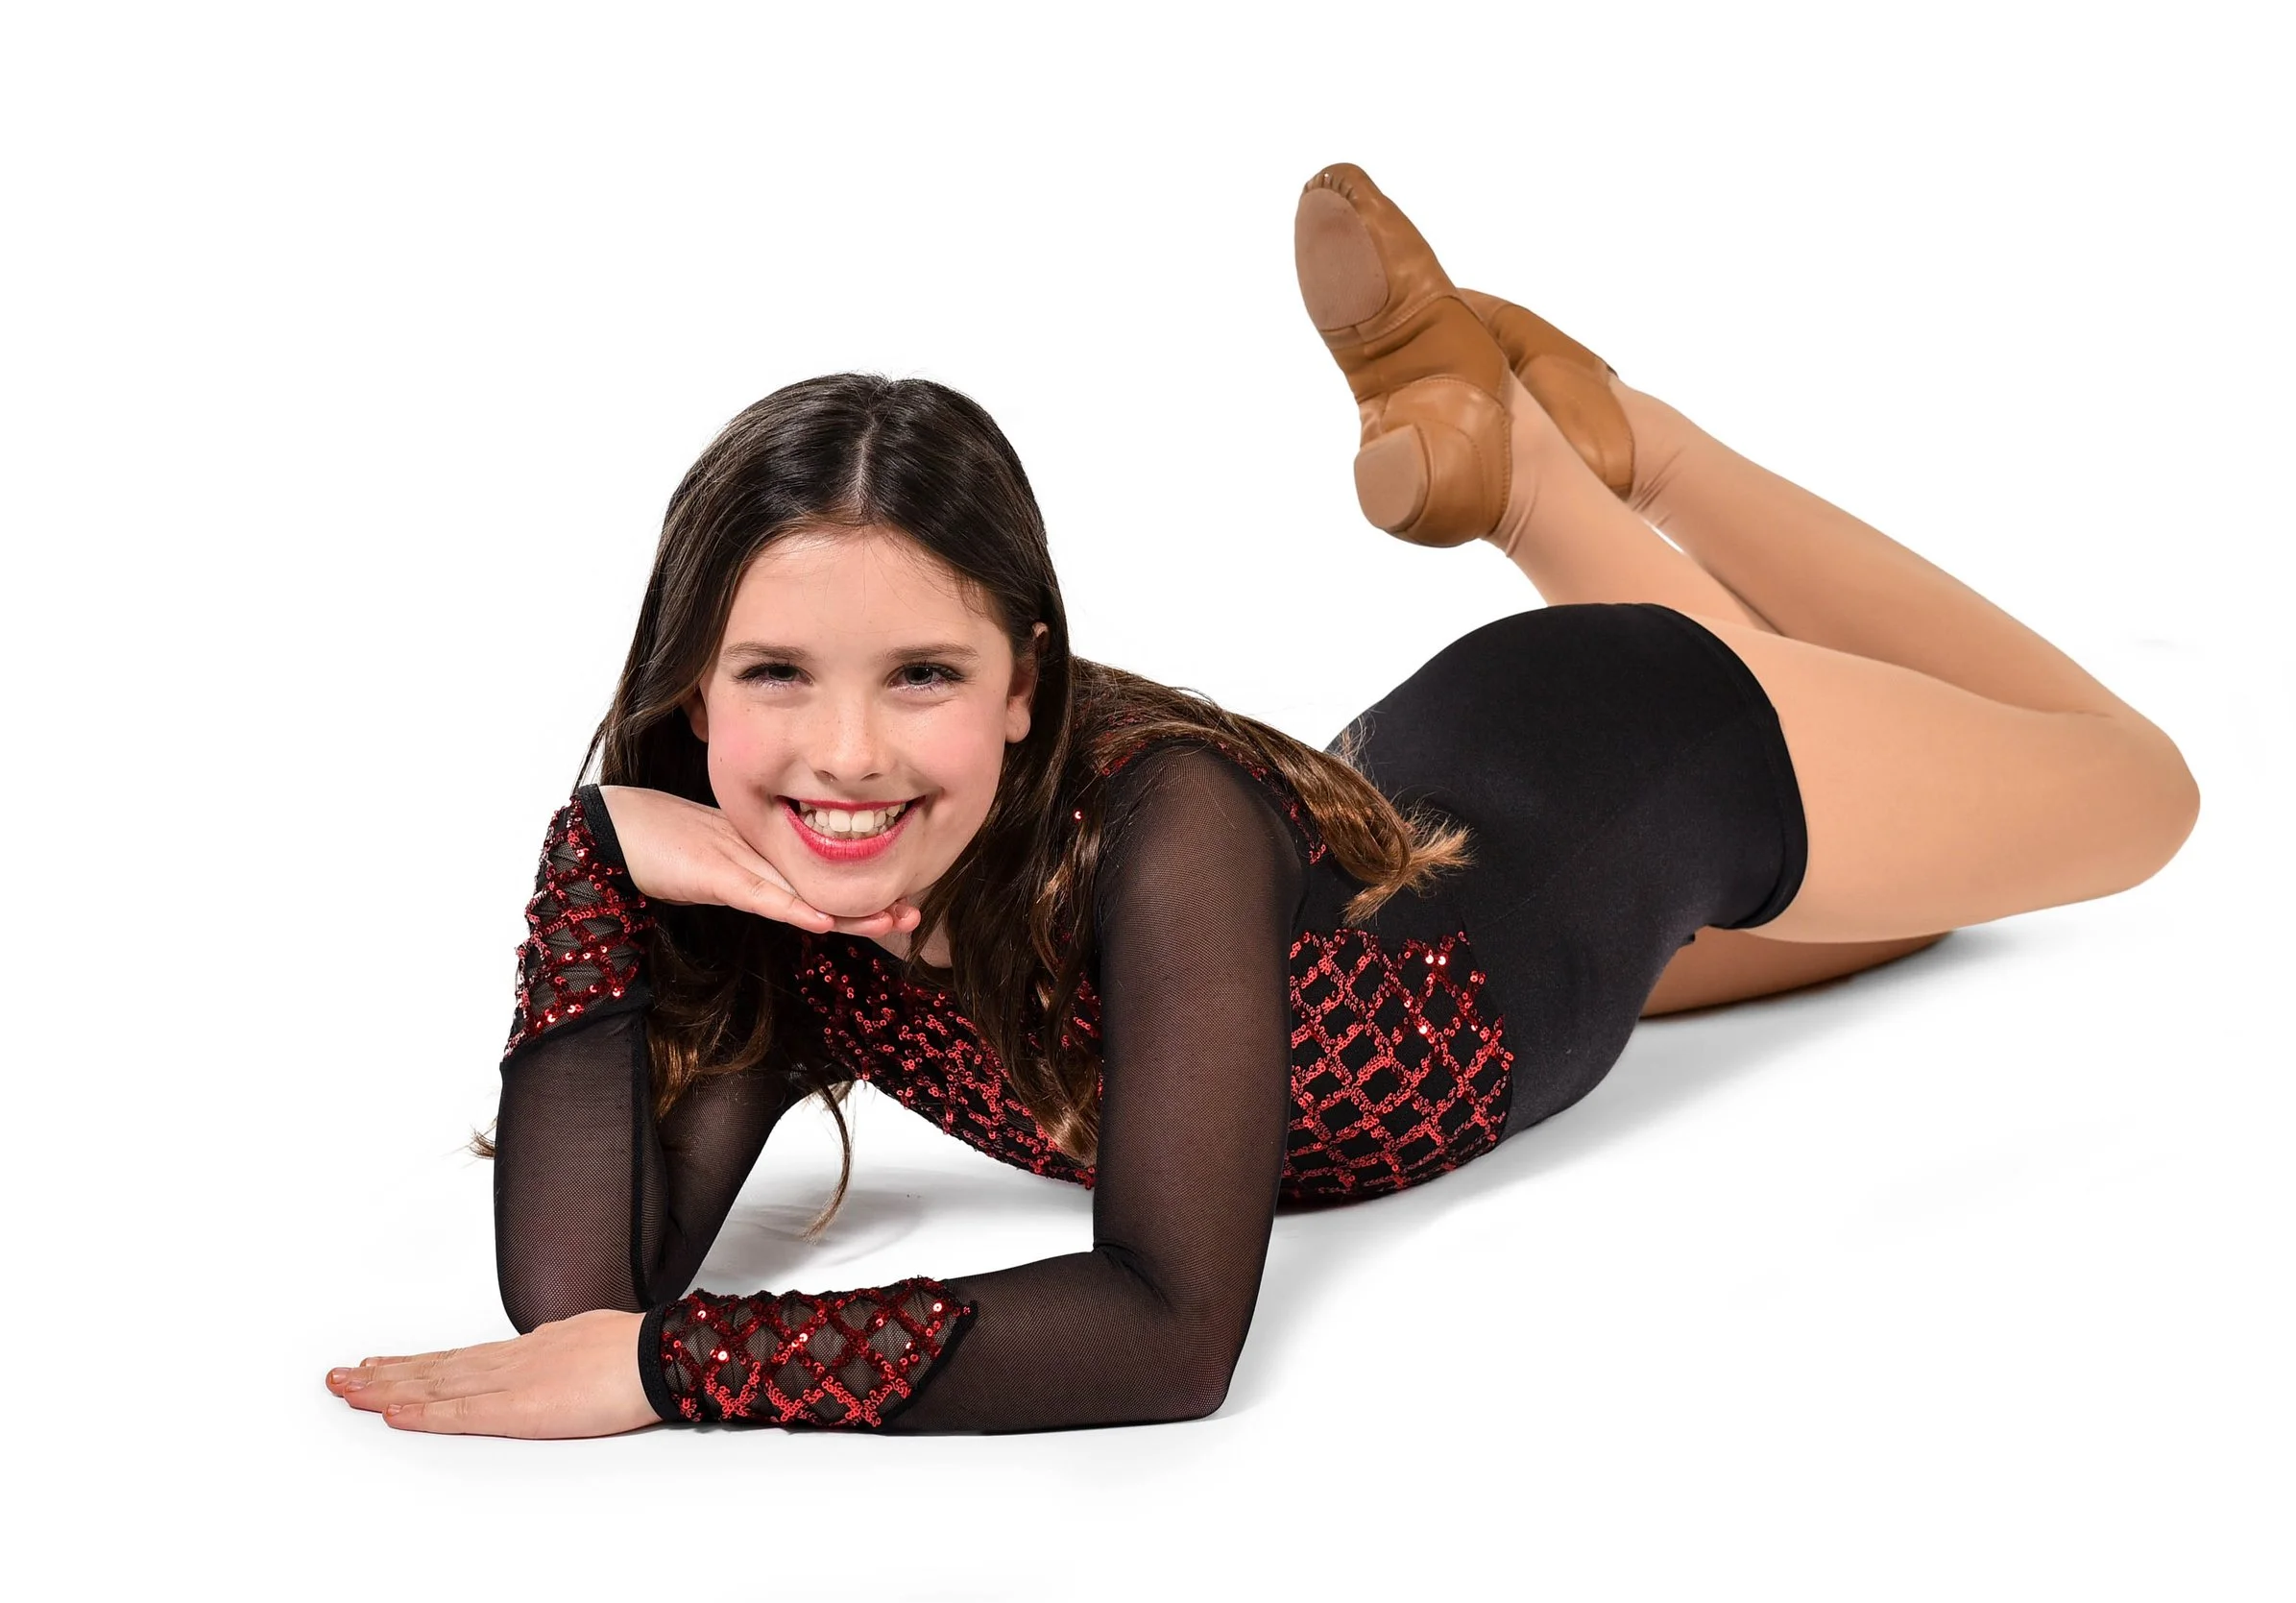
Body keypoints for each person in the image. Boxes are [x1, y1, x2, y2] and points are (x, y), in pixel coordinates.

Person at [324, 163, 2200, 1438]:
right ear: (690, 691)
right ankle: (1530, 457)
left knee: (2127, 795)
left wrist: (685, 1375)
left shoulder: (1167, 828)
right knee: (1919, 923)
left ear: (1027, 684)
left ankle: (1611, 456)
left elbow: (1164, 1330)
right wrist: (588, 854)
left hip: (1629, 763)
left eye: (920, 675)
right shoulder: (769, 900)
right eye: (774, 678)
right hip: (1513, 906)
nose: (845, 757)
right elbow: (576, 1289)